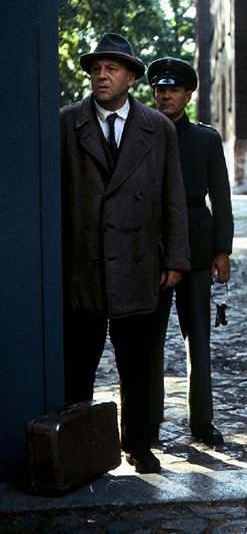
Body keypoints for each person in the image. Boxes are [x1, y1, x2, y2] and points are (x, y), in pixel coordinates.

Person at [60, 33, 190, 474]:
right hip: (84, 265)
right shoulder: (65, 124)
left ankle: (137, 444)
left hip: (139, 264)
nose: (101, 75)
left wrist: (175, 258)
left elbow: (174, 196)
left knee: (137, 364)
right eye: (96, 68)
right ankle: (75, 447)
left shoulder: (160, 128)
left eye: (112, 68)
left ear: (130, 77)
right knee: (77, 364)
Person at [147, 57, 234, 447]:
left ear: (188, 95)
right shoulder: (142, 133)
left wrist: (223, 250)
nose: (166, 96)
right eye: (160, 90)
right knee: (148, 342)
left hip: (198, 251)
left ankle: (201, 422)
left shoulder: (206, 138)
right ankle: (147, 423)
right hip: (153, 250)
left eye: (174, 90)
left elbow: (222, 196)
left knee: (197, 339)